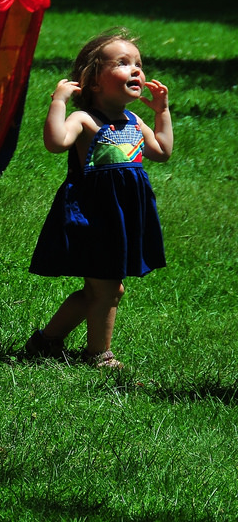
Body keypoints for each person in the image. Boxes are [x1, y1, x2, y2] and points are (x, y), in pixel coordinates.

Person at [24, 28, 173, 369]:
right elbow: (56, 142)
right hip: (94, 216)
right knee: (107, 289)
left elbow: (162, 151)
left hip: (123, 216)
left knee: (103, 289)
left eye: (138, 64)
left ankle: (46, 341)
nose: (136, 70)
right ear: (92, 81)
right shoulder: (85, 120)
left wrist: (161, 112)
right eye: (123, 63)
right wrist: (59, 103)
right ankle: (99, 355)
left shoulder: (134, 121)